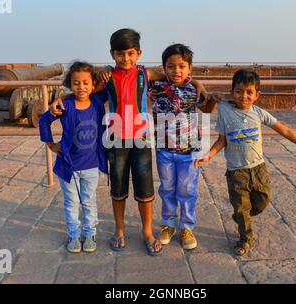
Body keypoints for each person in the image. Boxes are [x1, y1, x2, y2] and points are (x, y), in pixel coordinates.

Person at [51, 28, 208, 256]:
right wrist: (62, 98)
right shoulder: (108, 78)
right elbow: (83, 92)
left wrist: (199, 84)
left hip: (141, 139)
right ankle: (120, 229)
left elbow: (176, 76)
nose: (126, 58)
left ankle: (147, 232)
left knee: (145, 187)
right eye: (120, 54)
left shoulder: (146, 74)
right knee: (118, 187)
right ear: (112, 54)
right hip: (115, 139)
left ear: (139, 53)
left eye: (131, 53)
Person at [195, 69, 296, 256]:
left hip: (258, 169)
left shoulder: (259, 113)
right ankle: (246, 237)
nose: (243, 96)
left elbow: (284, 130)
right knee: (243, 208)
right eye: (239, 91)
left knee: (262, 200)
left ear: (256, 95)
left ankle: (241, 215)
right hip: (236, 172)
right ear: (232, 91)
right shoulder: (225, 110)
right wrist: (209, 155)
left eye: (249, 92)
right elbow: (222, 140)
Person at [149, 43, 216, 250]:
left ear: (189, 68)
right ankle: (168, 223)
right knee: (167, 188)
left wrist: (209, 96)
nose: (176, 71)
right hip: (164, 150)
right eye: (170, 66)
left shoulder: (193, 90)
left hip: (190, 151)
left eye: (181, 66)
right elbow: (142, 75)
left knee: (187, 190)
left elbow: (207, 110)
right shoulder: (156, 87)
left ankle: (187, 226)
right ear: (163, 68)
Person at [39, 61, 108, 253]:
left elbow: (111, 81)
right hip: (68, 164)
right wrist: (51, 144)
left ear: (93, 84)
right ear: (70, 84)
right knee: (71, 202)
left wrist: (105, 72)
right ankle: (73, 235)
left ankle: (90, 233)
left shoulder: (96, 101)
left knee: (88, 200)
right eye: (76, 83)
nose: (81, 87)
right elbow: (45, 120)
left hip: (91, 164)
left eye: (86, 83)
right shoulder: (65, 105)